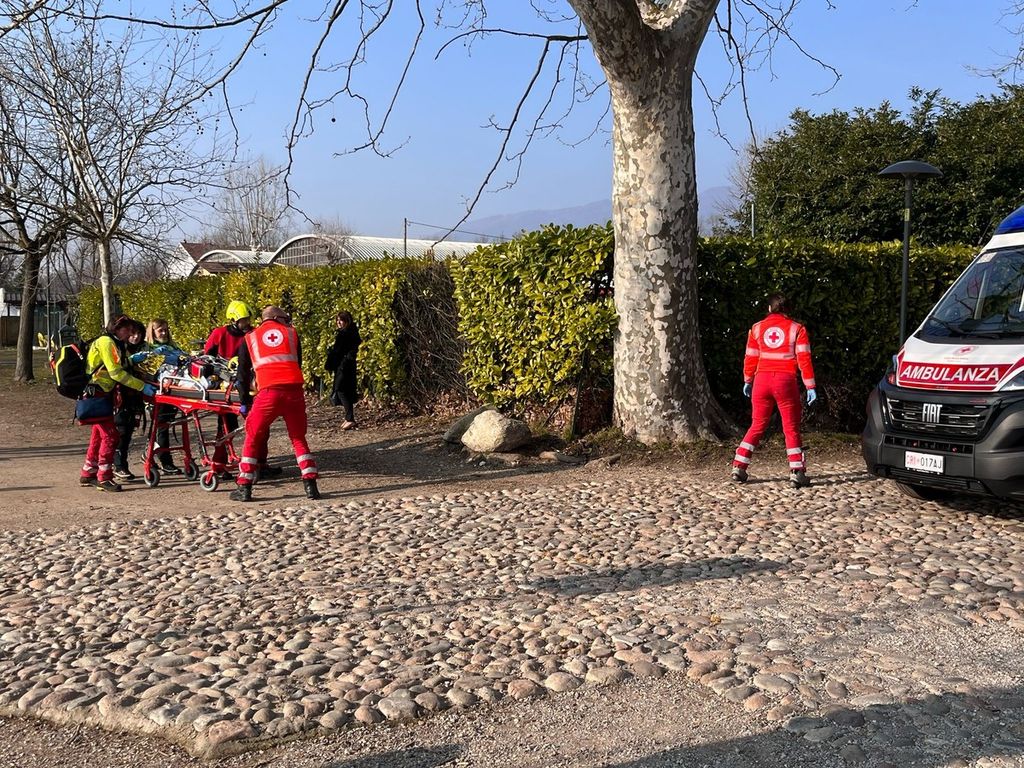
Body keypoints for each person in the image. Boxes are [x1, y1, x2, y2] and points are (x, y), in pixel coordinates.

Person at [230, 305, 320, 502]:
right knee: (298, 438)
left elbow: (242, 374)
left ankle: (244, 486)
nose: (287, 322)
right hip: (294, 391)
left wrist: (245, 401)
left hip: (268, 393)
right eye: (285, 318)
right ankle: (310, 484)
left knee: (253, 435)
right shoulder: (292, 334)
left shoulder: (250, 338)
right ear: (277, 318)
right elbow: (297, 363)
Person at [732, 293, 817, 489]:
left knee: (757, 425)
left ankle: (739, 466)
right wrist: (810, 386)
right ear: (788, 309)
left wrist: (747, 379)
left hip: (761, 381)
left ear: (769, 309)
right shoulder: (797, 329)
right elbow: (804, 360)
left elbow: (750, 357)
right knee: (791, 428)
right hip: (785, 382)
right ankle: (797, 472)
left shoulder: (756, 328)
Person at [203, 300, 282, 478]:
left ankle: (260, 463)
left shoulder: (254, 333)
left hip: (250, 384)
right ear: (233, 320)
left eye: (248, 320)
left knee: (260, 426)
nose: (247, 324)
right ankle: (220, 464)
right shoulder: (219, 334)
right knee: (225, 427)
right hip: (227, 386)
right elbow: (207, 359)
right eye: (243, 320)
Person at [78, 315, 156, 492]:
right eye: (127, 329)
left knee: (98, 435)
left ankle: (88, 472)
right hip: (97, 394)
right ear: (118, 328)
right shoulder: (107, 342)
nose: (130, 334)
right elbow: (116, 373)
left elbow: (116, 364)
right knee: (111, 436)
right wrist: (142, 386)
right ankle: (104, 477)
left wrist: (132, 360)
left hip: (101, 394)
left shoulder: (113, 342)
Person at [141, 318, 187, 475]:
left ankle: (150, 453)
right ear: (152, 332)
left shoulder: (172, 346)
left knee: (164, 424)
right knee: (160, 425)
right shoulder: (148, 349)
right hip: (157, 391)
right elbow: (148, 370)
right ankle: (164, 460)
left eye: (166, 330)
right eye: (160, 330)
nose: (164, 333)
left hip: (173, 389)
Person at [112, 320, 147, 481]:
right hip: (120, 395)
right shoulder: (118, 348)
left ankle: (116, 464)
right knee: (121, 430)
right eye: (132, 333)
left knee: (128, 430)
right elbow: (117, 371)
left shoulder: (144, 349)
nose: (136, 337)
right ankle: (118, 465)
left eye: (139, 333)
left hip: (134, 396)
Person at [325, 310, 361, 429]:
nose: (338, 322)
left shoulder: (345, 334)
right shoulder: (349, 332)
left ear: (347, 321)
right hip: (344, 365)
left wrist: (340, 360)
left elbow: (343, 351)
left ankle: (350, 418)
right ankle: (349, 417)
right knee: (344, 390)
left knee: (341, 389)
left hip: (344, 366)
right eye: (337, 320)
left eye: (341, 320)